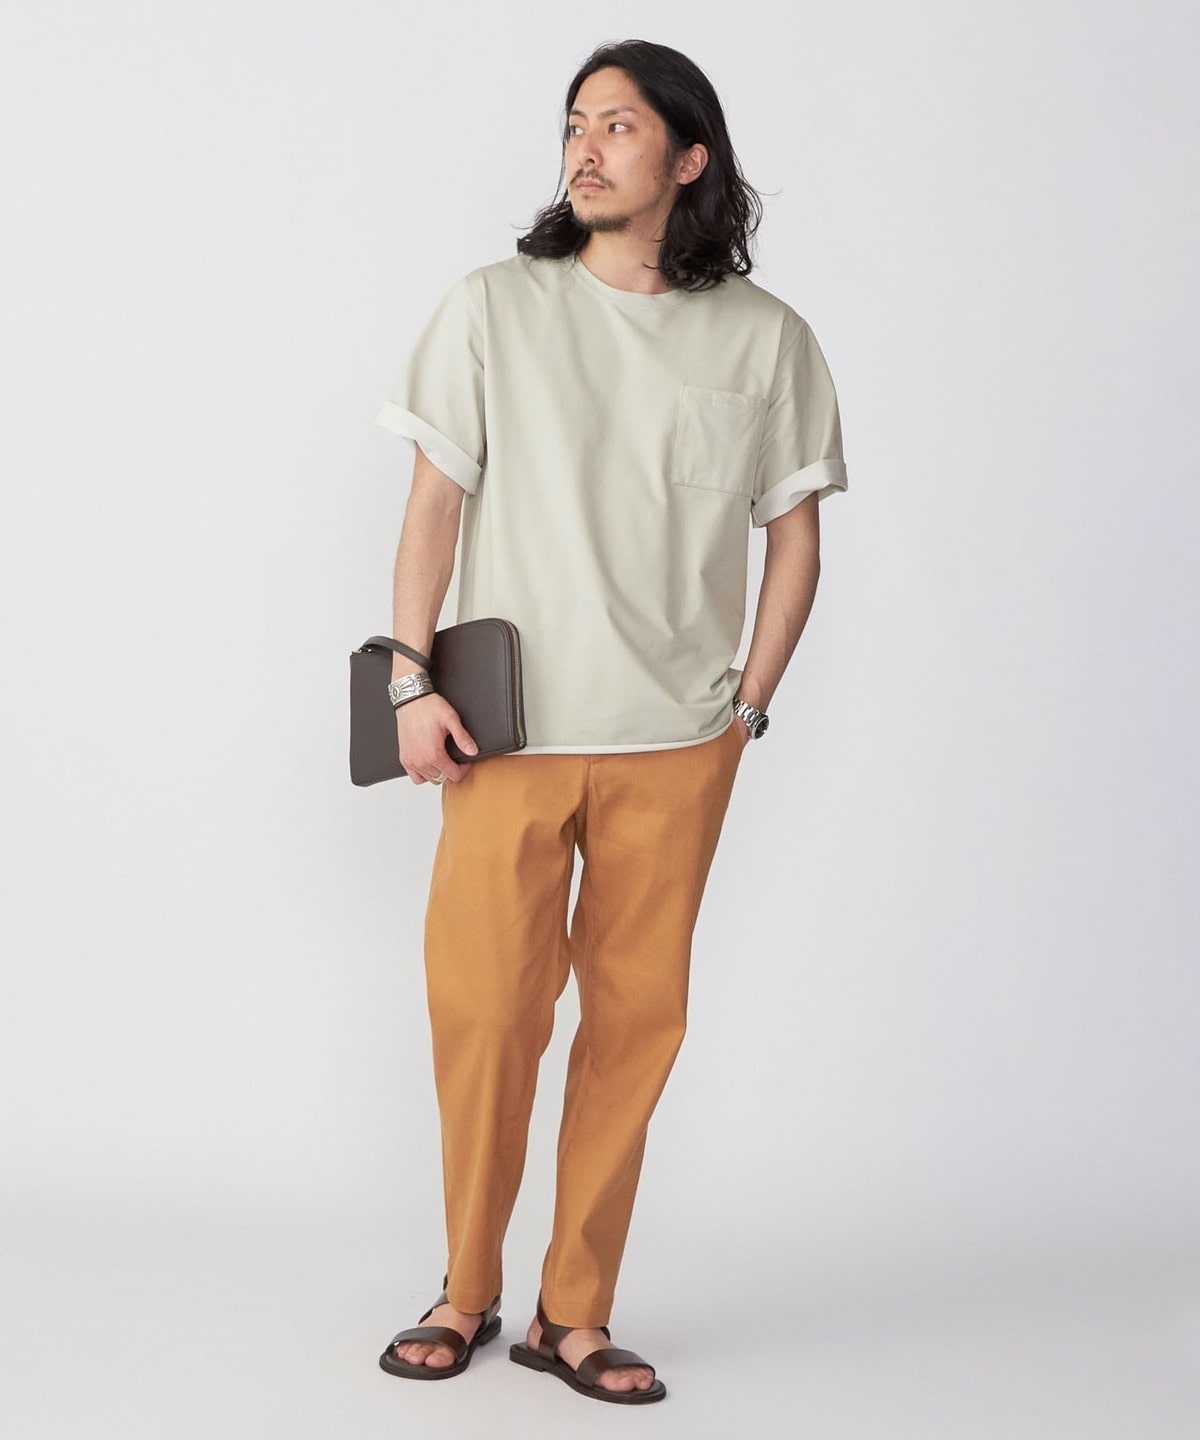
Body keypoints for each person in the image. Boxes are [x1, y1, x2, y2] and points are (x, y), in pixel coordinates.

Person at [371, 39, 848, 1405]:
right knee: (485, 1014)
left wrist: (745, 711)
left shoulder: (767, 338)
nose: (585, 148)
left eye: (620, 126)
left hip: (678, 747)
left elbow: (795, 539)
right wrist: (407, 680)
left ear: (690, 159)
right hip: (505, 733)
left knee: (635, 1028)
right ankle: (465, 1290)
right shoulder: (494, 307)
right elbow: (433, 507)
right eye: (575, 124)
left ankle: (572, 1313)